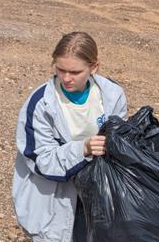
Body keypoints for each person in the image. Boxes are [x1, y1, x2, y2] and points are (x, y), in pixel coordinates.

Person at [12, 32, 127, 242]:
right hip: (55, 197)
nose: (66, 78)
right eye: (60, 69)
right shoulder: (41, 104)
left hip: (98, 193)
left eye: (75, 72)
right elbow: (41, 160)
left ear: (94, 67)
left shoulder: (111, 94)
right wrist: (83, 149)